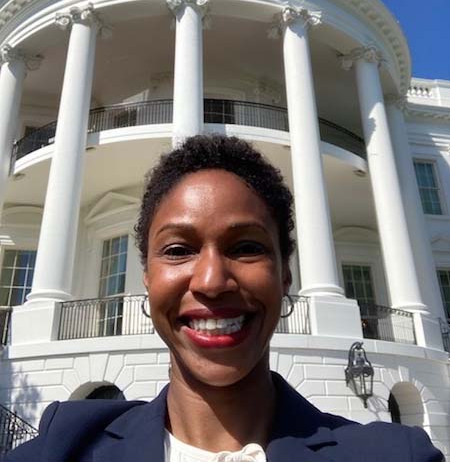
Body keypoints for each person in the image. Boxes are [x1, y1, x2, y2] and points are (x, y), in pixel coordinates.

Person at [6, 135, 444, 461]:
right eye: (178, 250)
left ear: (285, 275)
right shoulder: (67, 446)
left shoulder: (390, 454)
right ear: (146, 278)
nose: (212, 282)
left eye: (246, 247)